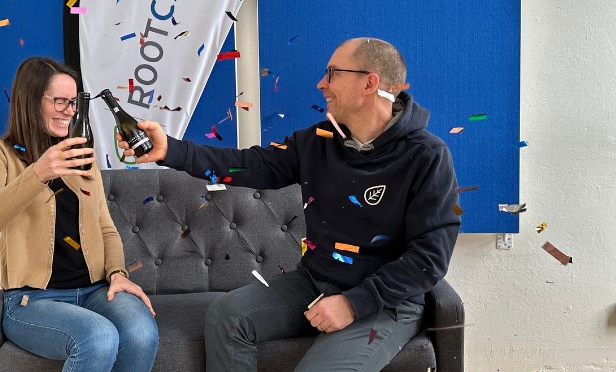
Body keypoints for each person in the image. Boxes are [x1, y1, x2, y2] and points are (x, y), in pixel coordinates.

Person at [118, 38, 461, 371]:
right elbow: (247, 164)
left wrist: (353, 304)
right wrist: (171, 150)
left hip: (385, 304)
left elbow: (429, 258)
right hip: (315, 283)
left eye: (332, 73)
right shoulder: (318, 141)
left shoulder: (427, 156)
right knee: (227, 316)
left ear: (370, 83)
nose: (321, 84)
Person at [0, 57, 158, 372]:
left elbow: (106, 229)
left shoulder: (82, 157)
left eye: (73, 102)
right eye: (60, 101)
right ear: (31, 101)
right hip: (32, 301)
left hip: (95, 290)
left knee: (141, 332)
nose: (70, 110)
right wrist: (38, 174)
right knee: (97, 337)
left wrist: (117, 274)